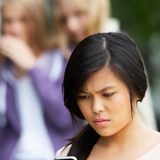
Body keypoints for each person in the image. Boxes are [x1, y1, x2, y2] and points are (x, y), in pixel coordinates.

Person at [52, 0, 157, 130]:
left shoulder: (116, 49)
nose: (71, 26)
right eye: (63, 19)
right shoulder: (63, 52)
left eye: (79, 14)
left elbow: (143, 113)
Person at [55, 32, 160, 160]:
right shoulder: (67, 155)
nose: (96, 108)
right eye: (84, 96)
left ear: (136, 90)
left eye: (107, 94)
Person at [0, 0, 83, 160]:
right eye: (8, 21)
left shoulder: (63, 57)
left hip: (57, 154)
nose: (14, 28)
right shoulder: (5, 69)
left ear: (38, 21)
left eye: (23, 20)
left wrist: (32, 67)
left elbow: (65, 118)